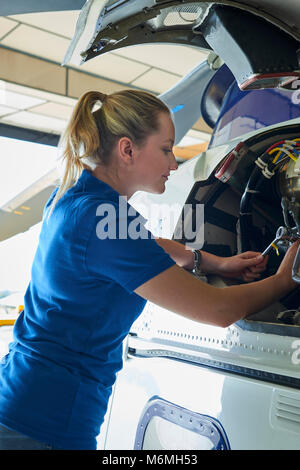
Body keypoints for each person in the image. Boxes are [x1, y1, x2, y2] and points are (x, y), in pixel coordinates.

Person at [0, 89, 298, 450]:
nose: (174, 163)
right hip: (44, 422)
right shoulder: (100, 218)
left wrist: (210, 261)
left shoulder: (77, 199)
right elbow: (217, 310)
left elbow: (145, 243)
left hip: (25, 401)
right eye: (166, 149)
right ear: (127, 150)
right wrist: (285, 279)